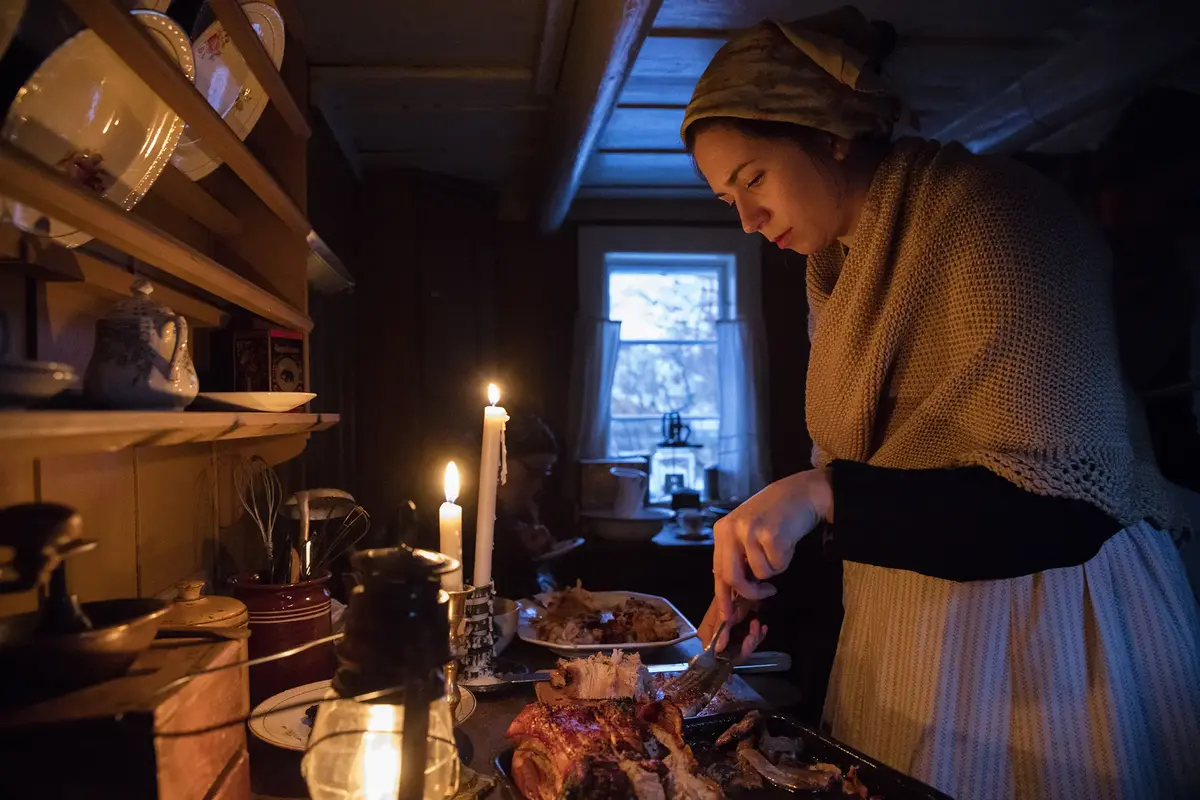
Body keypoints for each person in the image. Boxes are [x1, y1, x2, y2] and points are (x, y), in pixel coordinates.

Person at [685, 7, 1200, 799]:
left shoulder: (994, 217)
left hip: (1048, 632)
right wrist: (775, 569)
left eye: (752, 177)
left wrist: (822, 494)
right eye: (729, 199)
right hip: (914, 622)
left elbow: (1063, 511)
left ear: (829, 132)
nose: (749, 220)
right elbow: (890, 474)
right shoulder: (839, 269)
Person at [489, 411, 561, 599]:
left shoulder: (519, 514)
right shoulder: (466, 520)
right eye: (533, 472)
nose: (537, 485)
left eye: (544, 474)